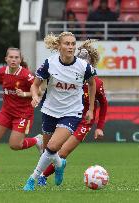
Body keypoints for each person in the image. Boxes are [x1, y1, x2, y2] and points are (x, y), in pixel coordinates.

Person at [23, 32, 97, 191]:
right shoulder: (49, 64)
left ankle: (32, 178)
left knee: (53, 147)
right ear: (59, 46)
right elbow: (35, 85)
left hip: (72, 112)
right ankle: (59, 164)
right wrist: (35, 96)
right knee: (47, 150)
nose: (70, 47)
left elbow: (92, 84)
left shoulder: (84, 67)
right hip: (49, 110)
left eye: (73, 44)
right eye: (67, 44)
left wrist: (90, 109)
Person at [37, 40, 108, 186]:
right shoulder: (67, 74)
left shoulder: (96, 82)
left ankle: (42, 176)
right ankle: (54, 168)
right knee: (51, 149)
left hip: (83, 121)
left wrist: (100, 126)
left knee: (62, 152)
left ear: (90, 63)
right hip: (65, 115)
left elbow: (104, 104)